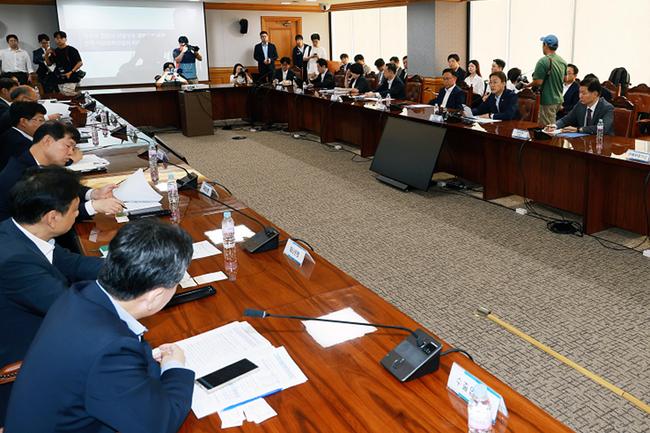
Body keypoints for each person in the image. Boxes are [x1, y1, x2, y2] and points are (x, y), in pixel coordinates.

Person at [4, 219, 195, 433]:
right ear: (155, 296)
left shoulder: (79, 295)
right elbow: (158, 424)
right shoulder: (111, 350)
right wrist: (174, 367)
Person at [0, 166, 104, 425]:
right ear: (52, 218)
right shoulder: (15, 261)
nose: (78, 214)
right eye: (75, 210)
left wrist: (133, 266)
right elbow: (73, 313)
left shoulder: (16, 231)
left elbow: (73, 264)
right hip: (26, 368)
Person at [0, 121, 124, 221]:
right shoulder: (22, 175)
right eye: (68, 146)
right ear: (47, 141)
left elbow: (62, 187)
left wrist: (94, 194)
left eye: (73, 148)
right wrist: (94, 206)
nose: (71, 153)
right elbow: (50, 217)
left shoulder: (36, 162)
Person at [546, 77, 614, 135]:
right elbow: (566, 119)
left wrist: (578, 129)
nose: (580, 96)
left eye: (584, 93)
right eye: (579, 92)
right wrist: (555, 126)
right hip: (583, 141)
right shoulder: (580, 104)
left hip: (602, 141)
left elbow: (603, 128)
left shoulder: (607, 108)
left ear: (595, 94)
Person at [529, 34, 567, 126]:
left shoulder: (543, 61)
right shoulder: (562, 61)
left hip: (548, 100)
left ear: (545, 45)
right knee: (551, 124)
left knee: (546, 128)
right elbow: (565, 79)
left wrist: (527, 85)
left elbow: (538, 82)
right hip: (559, 99)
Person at [0, 102, 46, 171]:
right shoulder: (20, 144)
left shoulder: (11, 133)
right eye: (40, 120)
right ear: (23, 122)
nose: (43, 124)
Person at [44, 31, 83, 96]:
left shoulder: (71, 50)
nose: (59, 40)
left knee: (68, 94)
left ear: (65, 39)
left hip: (71, 77)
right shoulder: (55, 51)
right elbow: (49, 64)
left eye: (61, 38)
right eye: (57, 38)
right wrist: (46, 55)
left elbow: (80, 63)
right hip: (60, 78)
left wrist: (70, 72)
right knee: (64, 95)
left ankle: (80, 96)